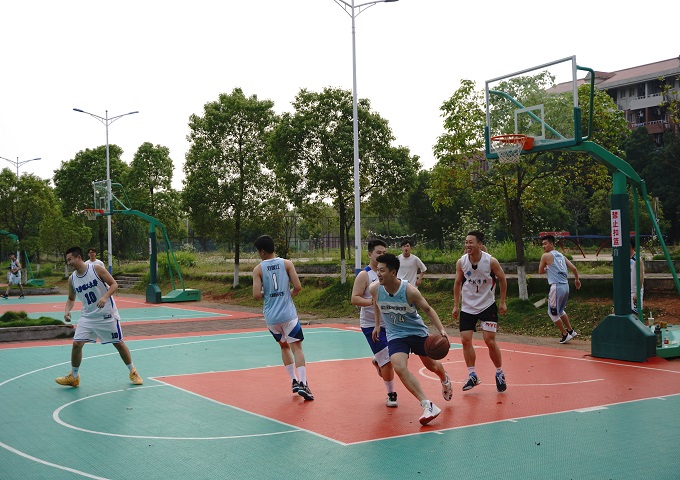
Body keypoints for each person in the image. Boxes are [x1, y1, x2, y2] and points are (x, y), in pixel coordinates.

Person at [370, 253, 452, 426]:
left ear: (393, 272)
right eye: (377, 270)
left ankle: (444, 378)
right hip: (396, 335)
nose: (378, 273)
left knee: (431, 366)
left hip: (416, 333)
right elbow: (376, 302)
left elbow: (428, 309)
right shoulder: (375, 288)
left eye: (382, 270)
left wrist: (442, 330)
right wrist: (377, 325)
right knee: (399, 366)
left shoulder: (410, 291)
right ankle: (427, 404)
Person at [55, 247, 143, 388]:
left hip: (106, 314)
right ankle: (74, 377)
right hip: (87, 317)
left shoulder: (96, 269)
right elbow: (71, 298)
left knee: (119, 343)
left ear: (78, 257)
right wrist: (67, 310)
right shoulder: (72, 279)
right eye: (67, 260)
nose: (68, 263)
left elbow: (114, 284)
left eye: (70, 259)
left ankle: (133, 371)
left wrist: (104, 297)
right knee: (77, 344)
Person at [252, 235, 313, 401]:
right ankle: (304, 383)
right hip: (288, 315)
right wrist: (288, 294)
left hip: (271, 318)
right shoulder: (287, 264)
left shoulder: (258, 269)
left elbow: (256, 295)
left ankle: (293, 381)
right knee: (297, 348)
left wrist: (268, 295)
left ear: (262, 251)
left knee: (284, 347)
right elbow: (298, 287)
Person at [452, 231, 508, 393]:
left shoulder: (490, 261)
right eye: (466, 242)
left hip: (487, 305)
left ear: (479, 244)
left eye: (471, 242)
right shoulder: (461, 262)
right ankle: (472, 375)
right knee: (465, 340)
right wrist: (456, 305)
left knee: (489, 341)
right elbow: (457, 283)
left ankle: (499, 373)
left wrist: (502, 302)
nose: (467, 245)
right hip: (468, 307)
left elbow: (503, 279)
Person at [350, 239, 398, 407]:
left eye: (384, 253)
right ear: (370, 254)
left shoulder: (389, 273)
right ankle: (391, 394)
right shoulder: (365, 275)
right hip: (371, 325)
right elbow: (354, 298)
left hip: (390, 323)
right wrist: (373, 302)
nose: (381, 255)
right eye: (378, 253)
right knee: (388, 361)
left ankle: (378, 361)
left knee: (396, 357)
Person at [538, 234, 581, 343]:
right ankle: (571, 330)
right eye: (542, 244)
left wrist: (547, 268)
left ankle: (565, 334)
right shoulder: (561, 255)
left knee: (552, 313)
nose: (543, 246)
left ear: (551, 244)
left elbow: (540, 271)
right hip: (565, 286)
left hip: (556, 286)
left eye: (545, 244)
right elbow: (574, 268)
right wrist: (577, 280)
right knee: (560, 310)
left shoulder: (545, 256)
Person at [630, 237, 644, 314]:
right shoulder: (622, 259)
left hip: (634, 291)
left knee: (635, 315)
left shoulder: (637, 259)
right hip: (625, 292)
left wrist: (637, 292)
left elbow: (641, 277)